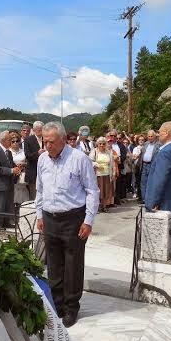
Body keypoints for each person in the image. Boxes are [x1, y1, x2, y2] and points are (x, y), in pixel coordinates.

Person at [36, 122, 99, 328]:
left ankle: (72, 308)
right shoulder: (42, 159)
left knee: (72, 265)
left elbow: (92, 191)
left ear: (63, 139)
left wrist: (88, 220)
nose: (47, 145)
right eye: (45, 141)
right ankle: (58, 304)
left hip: (73, 219)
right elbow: (39, 189)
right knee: (54, 265)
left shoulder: (79, 159)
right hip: (50, 217)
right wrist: (39, 214)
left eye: (51, 141)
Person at [145, 121, 171, 254]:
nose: (158, 134)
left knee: (161, 247)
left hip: (164, 204)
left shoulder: (166, 152)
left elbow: (159, 179)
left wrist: (153, 202)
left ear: (167, 133)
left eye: (160, 132)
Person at [0, 130, 22, 229]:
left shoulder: (8, 152)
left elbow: (10, 164)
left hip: (8, 183)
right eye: (10, 139)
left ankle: (6, 221)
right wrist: (12, 170)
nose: (11, 141)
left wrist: (16, 168)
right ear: (3, 140)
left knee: (8, 204)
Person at [89, 137, 116, 212]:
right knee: (97, 192)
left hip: (107, 174)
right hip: (97, 175)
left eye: (103, 144)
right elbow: (89, 161)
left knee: (106, 191)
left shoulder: (108, 152)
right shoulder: (94, 152)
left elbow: (112, 163)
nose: (101, 145)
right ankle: (96, 207)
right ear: (97, 144)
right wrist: (96, 165)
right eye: (100, 143)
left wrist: (113, 173)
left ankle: (104, 206)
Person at [24, 120, 45, 200]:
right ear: (34, 130)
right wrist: (38, 153)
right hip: (33, 172)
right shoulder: (28, 140)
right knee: (34, 197)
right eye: (39, 130)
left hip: (45, 172)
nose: (41, 132)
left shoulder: (46, 139)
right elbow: (27, 155)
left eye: (42, 129)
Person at [139, 130, 160, 203]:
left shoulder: (158, 144)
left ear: (154, 136)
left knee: (151, 182)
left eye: (151, 136)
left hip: (152, 165)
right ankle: (144, 199)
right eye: (149, 136)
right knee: (143, 182)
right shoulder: (145, 144)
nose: (150, 138)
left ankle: (150, 199)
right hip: (144, 165)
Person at [10, 132, 29, 205]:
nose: (15, 143)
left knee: (23, 194)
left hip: (23, 175)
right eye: (13, 141)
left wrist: (24, 164)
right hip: (13, 176)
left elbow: (28, 163)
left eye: (17, 141)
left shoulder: (23, 151)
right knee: (14, 194)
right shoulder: (9, 152)